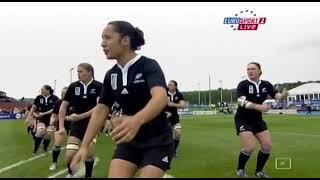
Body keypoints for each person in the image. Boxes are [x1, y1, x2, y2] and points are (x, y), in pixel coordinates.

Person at [70, 20, 174, 178]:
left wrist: (136, 120)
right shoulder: (111, 75)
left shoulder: (148, 66)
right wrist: (84, 146)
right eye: (102, 38)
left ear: (125, 40)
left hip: (157, 141)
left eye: (107, 38)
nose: (102, 43)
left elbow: (161, 97)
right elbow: (100, 111)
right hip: (128, 142)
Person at [235, 62, 288, 178]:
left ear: (259, 71)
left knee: (267, 146)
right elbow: (240, 102)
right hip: (243, 119)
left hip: (257, 119)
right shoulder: (242, 85)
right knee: (249, 147)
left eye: (253, 69)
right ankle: (240, 170)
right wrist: (258, 107)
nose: (250, 71)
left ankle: (259, 171)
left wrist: (282, 96)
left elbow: (276, 95)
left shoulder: (266, 84)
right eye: (248, 69)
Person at [58, 63, 102, 178]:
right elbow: (63, 107)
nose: (78, 74)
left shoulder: (99, 86)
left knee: (88, 153)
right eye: (77, 72)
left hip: (92, 123)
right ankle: (71, 173)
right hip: (76, 125)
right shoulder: (73, 86)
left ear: (90, 72)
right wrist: (61, 126)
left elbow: (99, 107)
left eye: (80, 71)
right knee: (69, 155)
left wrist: (81, 116)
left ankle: (88, 175)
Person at [26, 85, 59, 156]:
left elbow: (54, 109)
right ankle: (35, 150)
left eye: (43, 89)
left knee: (48, 134)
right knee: (40, 131)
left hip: (51, 118)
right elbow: (33, 108)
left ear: (48, 90)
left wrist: (43, 113)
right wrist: (28, 117)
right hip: (42, 118)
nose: (41, 91)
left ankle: (44, 149)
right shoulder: (39, 97)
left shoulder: (54, 98)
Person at [49, 87, 73, 171]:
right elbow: (54, 115)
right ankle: (54, 163)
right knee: (57, 144)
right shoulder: (58, 103)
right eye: (62, 94)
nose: (63, 95)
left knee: (72, 146)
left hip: (73, 124)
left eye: (65, 94)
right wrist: (51, 121)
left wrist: (64, 117)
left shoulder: (74, 102)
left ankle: (73, 164)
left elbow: (76, 116)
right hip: (60, 125)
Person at [165, 80, 186, 158]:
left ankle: (173, 151)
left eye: (170, 85)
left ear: (175, 86)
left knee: (178, 133)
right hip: (164, 118)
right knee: (166, 136)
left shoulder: (179, 94)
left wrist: (173, 104)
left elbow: (183, 105)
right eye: (168, 85)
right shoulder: (164, 93)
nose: (168, 86)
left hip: (174, 118)